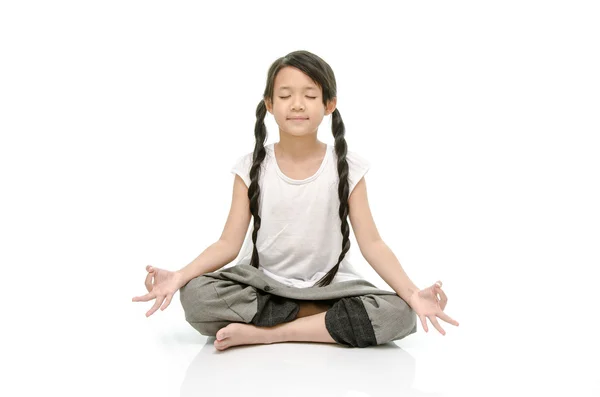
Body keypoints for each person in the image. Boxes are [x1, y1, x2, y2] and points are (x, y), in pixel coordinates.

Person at [132, 50, 459, 351]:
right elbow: (227, 244)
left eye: (310, 95)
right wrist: (179, 276)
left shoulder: (349, 168)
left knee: (399, 313)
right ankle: (321, 322)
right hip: (261, 288)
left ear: (329, 104)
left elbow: (372, 243)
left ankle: (270, 333)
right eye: (286, 95)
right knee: (196, 296)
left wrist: (413, 294)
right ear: (270, 104)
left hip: (329, 289)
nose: (298, 104)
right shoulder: (250, 167)